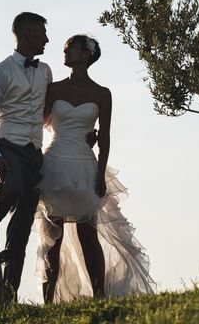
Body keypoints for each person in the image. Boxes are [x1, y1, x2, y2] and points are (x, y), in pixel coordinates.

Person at [0, 12, 95, 301]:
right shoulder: (0, 71)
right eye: (42, 34)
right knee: (11, 187)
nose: (48, 40)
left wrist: (81, 130)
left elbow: (45, 118)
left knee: (23, 225)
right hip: (7, 147)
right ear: (27, 35)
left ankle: (8, 294)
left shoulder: (45, 71)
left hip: (34, 153)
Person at [35, 34, 155, 302]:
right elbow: (39, 121)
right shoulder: (53, 89)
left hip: (85, 166)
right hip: (55, 163)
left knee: (88, 232)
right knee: (51, 235)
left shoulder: (102, 94)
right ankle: (48, 300)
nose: (65, 53)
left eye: (71, 49)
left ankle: (99, 295)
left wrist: (100, 173)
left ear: (86, 54)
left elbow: (107, 136)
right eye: (64, 49)